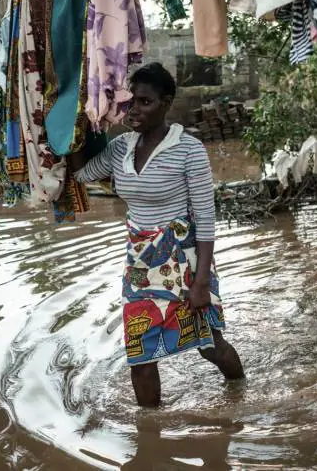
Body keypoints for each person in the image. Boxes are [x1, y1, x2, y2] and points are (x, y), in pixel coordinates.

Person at [75, 63, 244, 407]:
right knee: (139, 354)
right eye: (131, 101)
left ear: (166, 103)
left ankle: (240, 392)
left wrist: (200, 284)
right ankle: (149, 434)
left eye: (145, 102)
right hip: (139, 264)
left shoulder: (188, 150)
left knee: (211, 348)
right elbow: (81, 174)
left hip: (184, 262)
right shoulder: (121, 147)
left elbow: (206, 221)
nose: (134, 109)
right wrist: (74, 127)